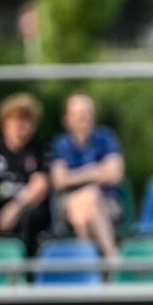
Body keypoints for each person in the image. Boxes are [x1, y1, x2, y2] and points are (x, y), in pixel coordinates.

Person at [49, 93, 124, 259]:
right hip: (67, 205)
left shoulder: (105, 138)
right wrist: (94, 171)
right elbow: (60, 180)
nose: (82, 117)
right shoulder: (61, 144)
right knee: (90, 195)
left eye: (85, 112)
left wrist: (75, 176)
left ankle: (88, 261)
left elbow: (115, 173)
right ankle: (111, 255)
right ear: (67, 118)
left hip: (107, 204)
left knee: (85, 206)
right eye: (77, 114)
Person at [0, 93, 51, 256]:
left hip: (26, 207)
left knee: (29, 218)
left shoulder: (39, 147)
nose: (21, 126)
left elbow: (41, 185)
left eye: (27, 121)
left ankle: (26, 272)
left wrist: (16, 207)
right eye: (17, 120)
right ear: (5, 123)